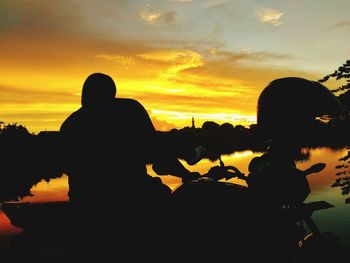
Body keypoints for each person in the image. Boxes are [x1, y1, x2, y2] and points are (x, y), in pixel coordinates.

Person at [59, 73, 198, 258]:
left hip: (85, 205)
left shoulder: (70, 124)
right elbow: (158, 154)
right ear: (112, 94)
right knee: (171, 209)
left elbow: (68, 166)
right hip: (132, 200)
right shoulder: (129, 111)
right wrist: (185, 174)